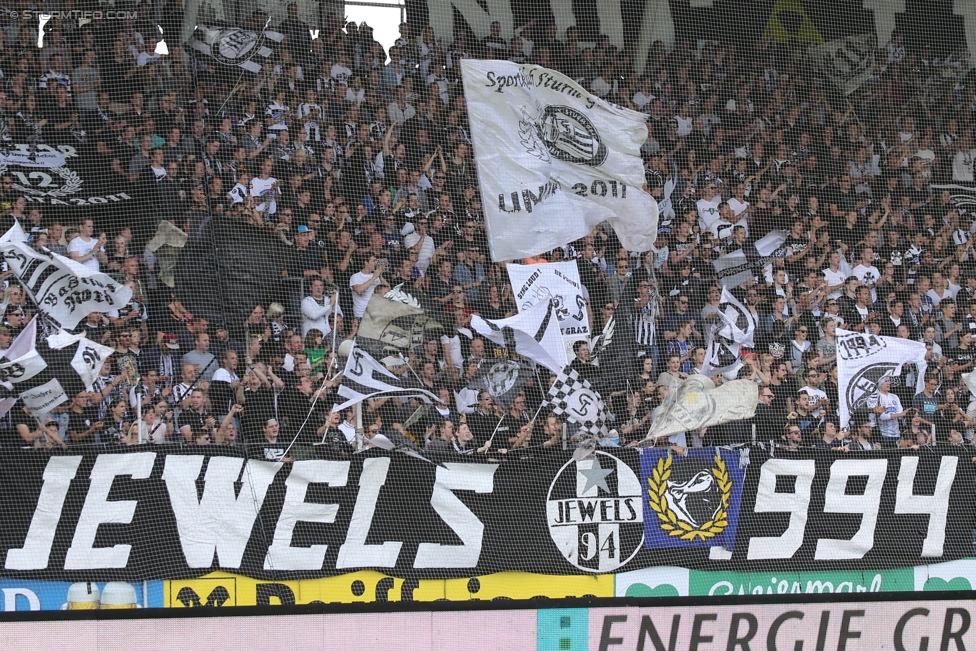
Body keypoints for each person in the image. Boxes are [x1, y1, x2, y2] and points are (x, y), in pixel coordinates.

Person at [870, 377, 907, 447]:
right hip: (883, 435)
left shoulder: (895, 397)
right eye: (886, 381)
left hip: (897, 434)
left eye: (889, 381)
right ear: (880, 383)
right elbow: (882, 416)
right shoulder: (875, 397)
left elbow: (900, 414)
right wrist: (899, 414)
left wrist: (904, 414)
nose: (889, 383)